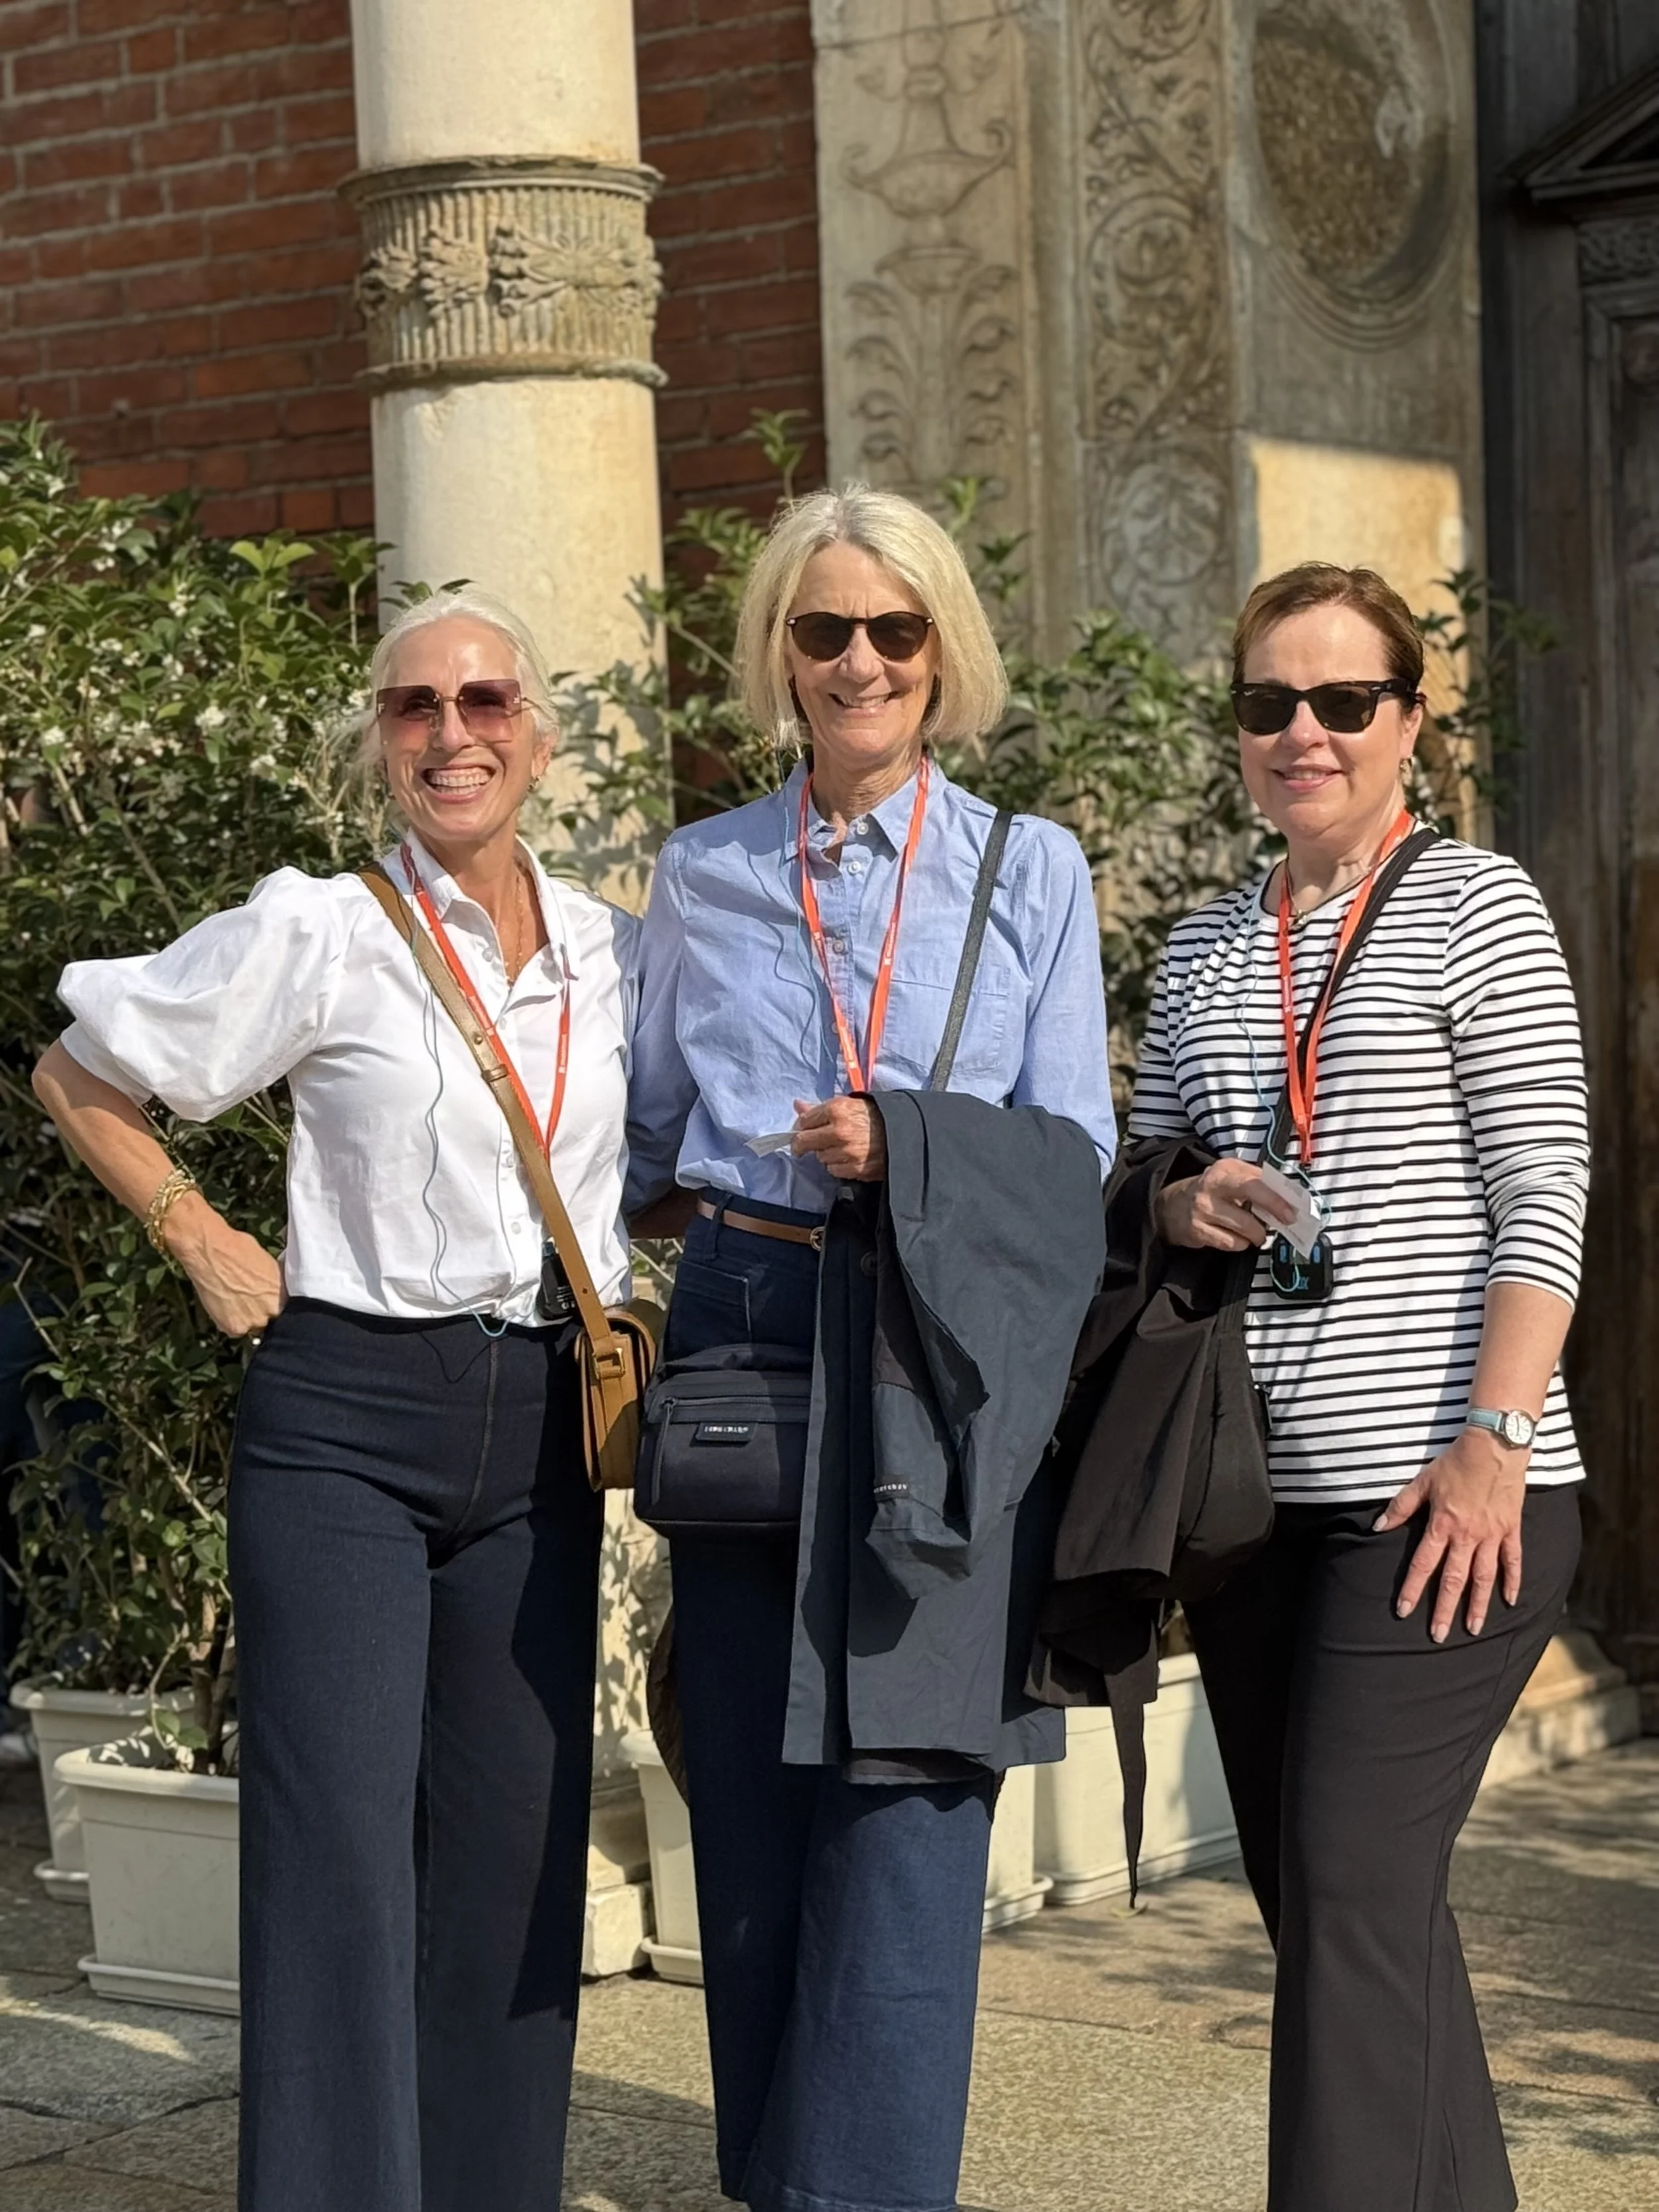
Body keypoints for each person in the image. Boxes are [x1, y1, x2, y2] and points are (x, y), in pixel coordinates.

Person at [32, 589, 633, 2212]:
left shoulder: (601, 945)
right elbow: (80, 1075)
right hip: (345, 1422)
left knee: (513, 1857)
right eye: (415, 706)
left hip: (538, 1425)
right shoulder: (324, 924)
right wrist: (206, 1237)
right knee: (341, 1858)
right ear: (377, 739)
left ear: (540, 736)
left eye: (487, 699)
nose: (454, 732)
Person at [626, 484, 1116, 2212]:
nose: (856, 659)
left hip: (941, 1342)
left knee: (907, 1806)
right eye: (822, 627)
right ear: (778, 647)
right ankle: (777, 2180)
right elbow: (640, 1143)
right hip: (753, 1327)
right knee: (753, 1808)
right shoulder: (703, 875)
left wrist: (900, 1152)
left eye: (890, 630)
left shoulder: (1024, 868)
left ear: (939, 652)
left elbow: (1071, 1152)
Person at [1128, 561, 1588, 2212]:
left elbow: (1547, 1191)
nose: (1300, 733)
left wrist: (1490, 1442)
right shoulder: (1199, 949)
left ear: (1409, 719)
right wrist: (1182, 1197)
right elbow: (1142, 1172)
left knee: (1345, 1898)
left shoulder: (1475, 903)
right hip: (1259, 1505)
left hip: (1445, 1500)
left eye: (1340, 701)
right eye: (1267, 703)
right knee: (1346, 1914)